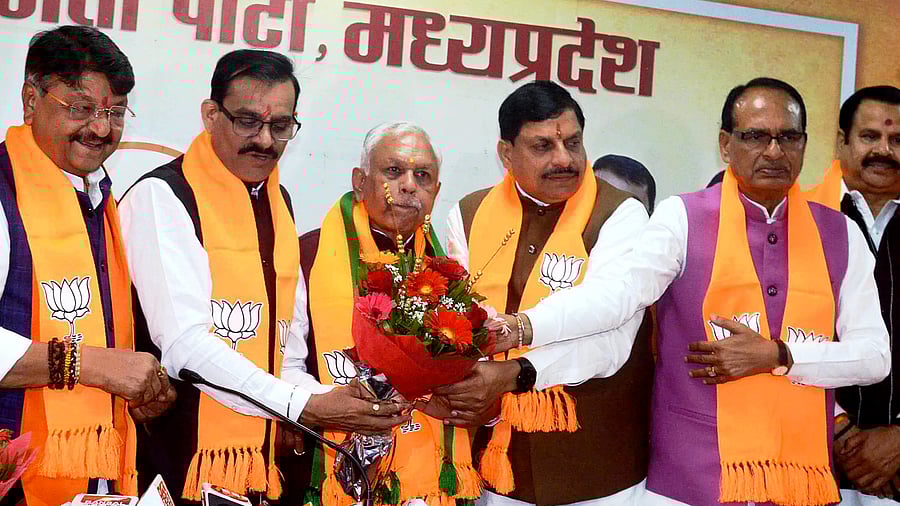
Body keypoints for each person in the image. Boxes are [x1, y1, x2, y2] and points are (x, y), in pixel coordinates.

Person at [485, 77, 892, 505]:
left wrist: (780, 356)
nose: (774, 152)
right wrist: (523, 327)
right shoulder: (681, 217)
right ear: (725, 144)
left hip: (799, 482)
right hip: (688, 480)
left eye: (788, 137)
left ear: (805, 144)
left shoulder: (840, 234)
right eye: (755, 136)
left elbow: (874, 356)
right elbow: (617, 296)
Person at [119, 50, 408, 503]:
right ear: (210, 115)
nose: (265, 141)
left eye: (281, 126)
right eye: (248, 122)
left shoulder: (277, 201)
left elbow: (285, 356)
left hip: (259, 468)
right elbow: (184, 347)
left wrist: (343, 401)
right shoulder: (162, 197)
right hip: (174, 462)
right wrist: (305, 406)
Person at [435, 81, 652, 506]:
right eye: (543, 146)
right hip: (495, 463)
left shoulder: (622, 214)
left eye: (572, 142)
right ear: (506, 154)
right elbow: (464, 322)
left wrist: (519, 341)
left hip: (597, 466)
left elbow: (609, 328)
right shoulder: (469, 214)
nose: (564, 159)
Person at [0, 26, 176, 506]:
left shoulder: (100, 196)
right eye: (80, 108)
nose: (100, 129)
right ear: (31, 101)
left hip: (96, 478)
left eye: (115, 112)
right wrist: (91, 365)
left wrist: (134, 391)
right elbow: (90, 360)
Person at [297, 121, 482, 505]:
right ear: (360, 181)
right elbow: (284, 365)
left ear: (436, 192)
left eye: (422, 176)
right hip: (328, 457)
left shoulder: (450, 276)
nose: (409, 185)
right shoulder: (308, 256)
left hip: (430, 480)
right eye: (394, 171)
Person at [806, 85, 900, 505]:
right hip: (808, 457)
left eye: (897, 139)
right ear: (841, 141)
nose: (884, 150)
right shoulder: (799, 219)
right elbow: (773, 333)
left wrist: (897, 441)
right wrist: (841, 432)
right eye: (870, 136)